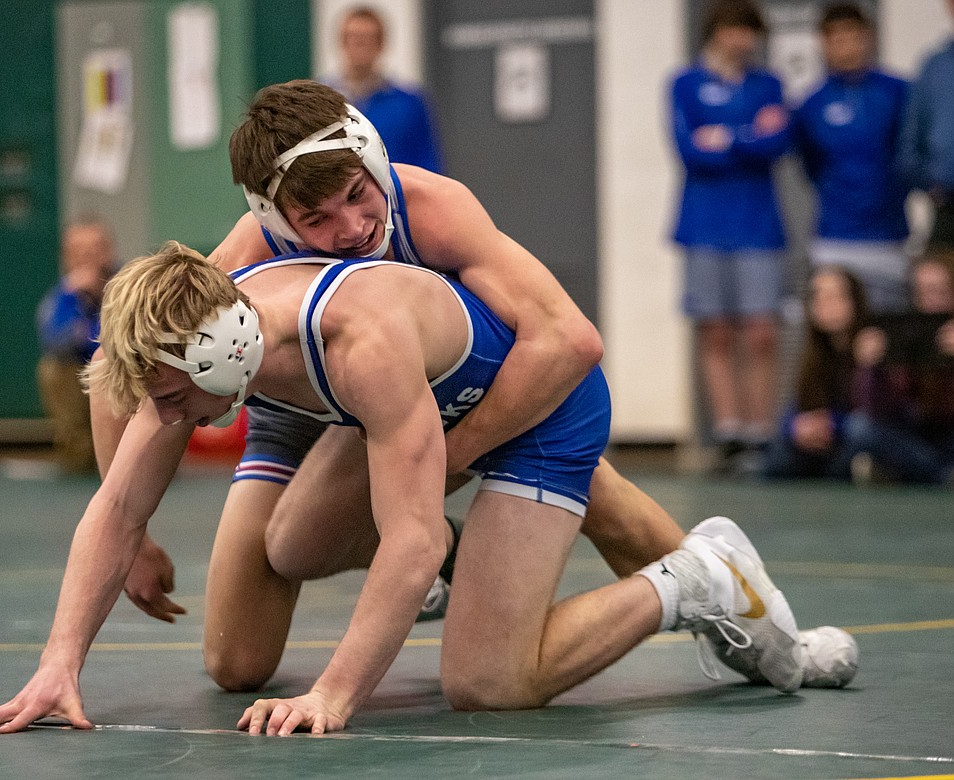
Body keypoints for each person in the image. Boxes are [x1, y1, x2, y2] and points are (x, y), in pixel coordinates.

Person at [94, 80, 852, 696]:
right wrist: (132, 539)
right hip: (321, 413)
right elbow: (117, 369)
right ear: (272, 215)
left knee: (599, 496)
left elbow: (570, 340)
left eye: (360, 195)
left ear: (373, 157)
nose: (355, 227)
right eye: (317, 219)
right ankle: (450, 566)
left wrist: (454, 452)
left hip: (477, 397)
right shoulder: (245, 254)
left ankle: (761, 631)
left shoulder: (430, 209)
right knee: (244, 642)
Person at [0, 242, 810, 736]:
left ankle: (695, 577)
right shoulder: (208, 331)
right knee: (274, 579)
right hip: (375, 413)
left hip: (522, 408)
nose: (162, 417)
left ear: (221, 360)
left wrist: (332, 693)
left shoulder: (356, 339)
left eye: (172, 398)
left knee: (489, 684)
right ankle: (473, 584)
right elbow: (116, 506)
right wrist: (57, 665)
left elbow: (411, 537)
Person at [669, 0, 792, 470]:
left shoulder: (769, 85)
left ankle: (761, 433)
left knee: (761, 330)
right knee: (716, 330)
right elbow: (690, 150)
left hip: (758, 225)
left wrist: (726, 137)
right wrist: (748, 136)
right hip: (703, 225)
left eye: (750, 32)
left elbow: (775, 145)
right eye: (735, 30)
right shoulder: (685, 83)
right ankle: (729, 432)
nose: (743, 40)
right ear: (716, 33)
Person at [792, 3, 911, 313]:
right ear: (824, 44)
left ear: (867, 38)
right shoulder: (812, 104)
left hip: (888, 237)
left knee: (888, 333)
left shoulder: (898, 93)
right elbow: (810, 165)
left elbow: (910, 154)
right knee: (838, 336)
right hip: (835, 237)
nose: (845, 46)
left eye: (851, 36)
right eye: (836, 38)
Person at [848, 250, 954, 484]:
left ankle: (909, 473)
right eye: (923, 291)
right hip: (913, 436)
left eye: (941, 291)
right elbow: (875, 408)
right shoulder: (901, 330)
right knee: (860, 429)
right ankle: (939, 475)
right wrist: (870, 368)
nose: (932, 300)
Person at [763, 266, 869, 479]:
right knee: (776, 454)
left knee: (861, 433)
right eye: (817, 297)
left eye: (833, 296)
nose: (825, 305)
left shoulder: (872, 344)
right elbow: (795, 406)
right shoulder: (815, 352)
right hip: (823, 443)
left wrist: (833, 424)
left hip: (853, 437)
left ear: (854, 301)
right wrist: (797, 427)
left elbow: (879, 414)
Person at [36, 216, 115, 473]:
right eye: (77, 252)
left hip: (120, 377)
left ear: (107, 252)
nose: (86, 259)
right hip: (81, 380)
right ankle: (79, 454)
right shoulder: (63, 294)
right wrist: (73, 298)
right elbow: (54, 341)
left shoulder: (128, 284)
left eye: (92, 251)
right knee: (52, 369)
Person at [324, 6, 444, 173]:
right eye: (354, 38)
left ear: (381, 44)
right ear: (342, 42)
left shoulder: (409, 103)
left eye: (367, 39)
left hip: (396, 194)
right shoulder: (322, 103)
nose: (360, 46)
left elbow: (429, 165)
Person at [899, 0, 954, 251]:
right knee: (936, 283)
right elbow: (911, 143)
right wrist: (932, 183)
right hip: (948, 208)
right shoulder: (936, 67)